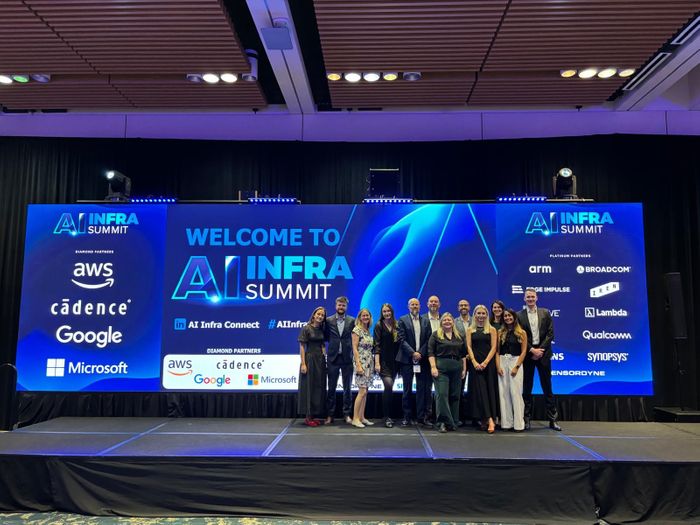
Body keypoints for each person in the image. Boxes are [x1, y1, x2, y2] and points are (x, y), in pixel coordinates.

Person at [516, 288, 561, 431]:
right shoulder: (519, 315)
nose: (530, 299)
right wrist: (532, 350)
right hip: (528, 355)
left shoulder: (545, 313)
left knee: (547, 387)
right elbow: (519, 336)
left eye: (532, 296)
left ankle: (553, 420)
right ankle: (526, 419)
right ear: (524, 299)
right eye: (528, 297)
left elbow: (550, 334)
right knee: (527, 388)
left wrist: (540, 350)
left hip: (544, 354)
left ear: (536, 298)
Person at [396, 298, 432, 427]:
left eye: (416, 304)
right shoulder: (402, 320)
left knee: (423, 390)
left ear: (420, 306)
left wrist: (420, 353)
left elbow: (429, 340)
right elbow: (401, 339)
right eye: (412, 304)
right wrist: (413, 353)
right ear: (408, 306)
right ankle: (407, 417)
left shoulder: (426, 321)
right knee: (407, 390)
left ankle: (422, 417)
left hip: (422, 360)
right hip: (407, 360)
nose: (414, 306)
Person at [428, 313, 467, 433]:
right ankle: (443, 422)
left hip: (457, 367)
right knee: (442, 394)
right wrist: (433, 367)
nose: (447, 322)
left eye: (449, 320)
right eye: (444, 320)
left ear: (453, 322)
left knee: (455, 396)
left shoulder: (459, 336)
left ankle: (454, 421)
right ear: (441, 322)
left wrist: (464, 369)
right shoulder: (435, 335)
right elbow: (430, 352)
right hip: (441, 368)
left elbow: (463, 355)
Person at [466, 304, 499, 434]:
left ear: (487, 315)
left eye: (483, 313)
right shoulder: (470, 330)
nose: (481, 316)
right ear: (474, 315)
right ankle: (486, 419)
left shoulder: (492, 330)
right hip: (475, 365)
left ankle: (490, 419)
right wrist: (474, 362)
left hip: (488, 364)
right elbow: (469, 347)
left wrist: (485, 362)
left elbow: (494, 347)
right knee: (479, 392)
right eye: (478, 313)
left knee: (488, 391)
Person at [324, 296, 355, 425]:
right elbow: (325, 336)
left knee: (347, 388)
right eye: (339, 305)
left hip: (347, 358)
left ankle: (347, 414)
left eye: (343, 305)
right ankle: (330, 415)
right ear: (335, 306)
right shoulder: (328, 320)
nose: (341, 307)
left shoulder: (352, 320)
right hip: (333, 358)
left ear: (346, 307)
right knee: (331, 388)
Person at [496, 309, 527, 432]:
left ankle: (519, 424)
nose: (507, 318)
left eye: (509, 315)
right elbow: (497, 351)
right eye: (505, 316)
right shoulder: (500, 332)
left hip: (515, 361)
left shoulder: (521, 332)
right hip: (502, 361)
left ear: (514, 317)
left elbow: (523, 351)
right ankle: (506, 423)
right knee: (504, 393)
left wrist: (517, 366)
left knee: (516, 393)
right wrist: (498, 366)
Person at [298, 306, 327, 427]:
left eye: (322, 315)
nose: (320, 316)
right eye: (318, 314)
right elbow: (302, 347)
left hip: (320, 361)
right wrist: (303, 363)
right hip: (309, 360)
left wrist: (324, 355)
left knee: (317, 387)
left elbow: (322, 344)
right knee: (309, 387)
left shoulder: (321, 329)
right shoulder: (306, 328)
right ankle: (308, 417)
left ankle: (314, 415)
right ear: (314, 315)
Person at [374, 303, 401, 428]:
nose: (387, 313)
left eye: (388, 311)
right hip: (383, 362)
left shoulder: (397, 325)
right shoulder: (379, 325)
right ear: (382, 313)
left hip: (395, 362)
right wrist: (377, 363)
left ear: (392, 312)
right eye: (384, 311)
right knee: (388, 385)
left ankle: (389, 415)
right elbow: (377, 345)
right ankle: (386, 417)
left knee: (390, 388)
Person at [351, 308, 375, 428]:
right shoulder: (357, 330)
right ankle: (355, 418)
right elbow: (355, 348)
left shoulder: (368, 330)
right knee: (362, 391)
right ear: (360, 317)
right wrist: (358, 365)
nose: (365, 317)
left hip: (369, 363)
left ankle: (361, 417)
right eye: (363, 315)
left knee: (365, 392)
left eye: (367, 315)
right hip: (361, 363)